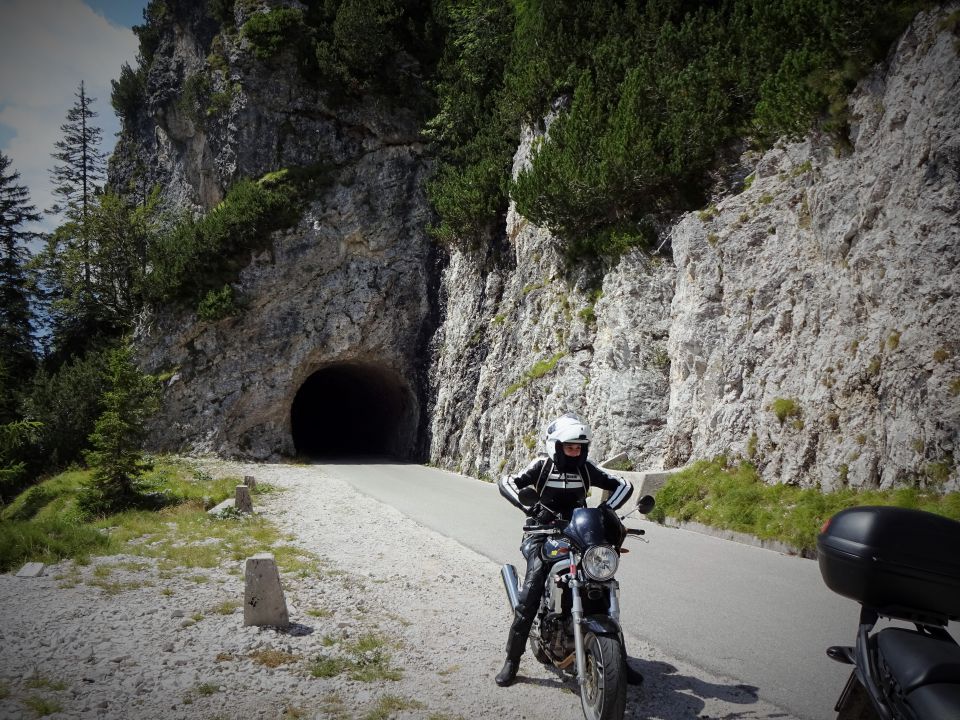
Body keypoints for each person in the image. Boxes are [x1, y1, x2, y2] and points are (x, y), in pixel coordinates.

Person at [494, 412, 641, 687]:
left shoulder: (587, 469)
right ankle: (512, 660)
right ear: (556, 446)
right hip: (541, 534)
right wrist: (530, 507)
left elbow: (624, 485)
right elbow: (506, 482)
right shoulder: (541, 465)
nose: (575, 453)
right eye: (569, 447)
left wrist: (605, 510)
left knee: (600, 585)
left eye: (579, 448)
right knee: (531, 591)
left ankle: (618, 660)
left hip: (577, 533)